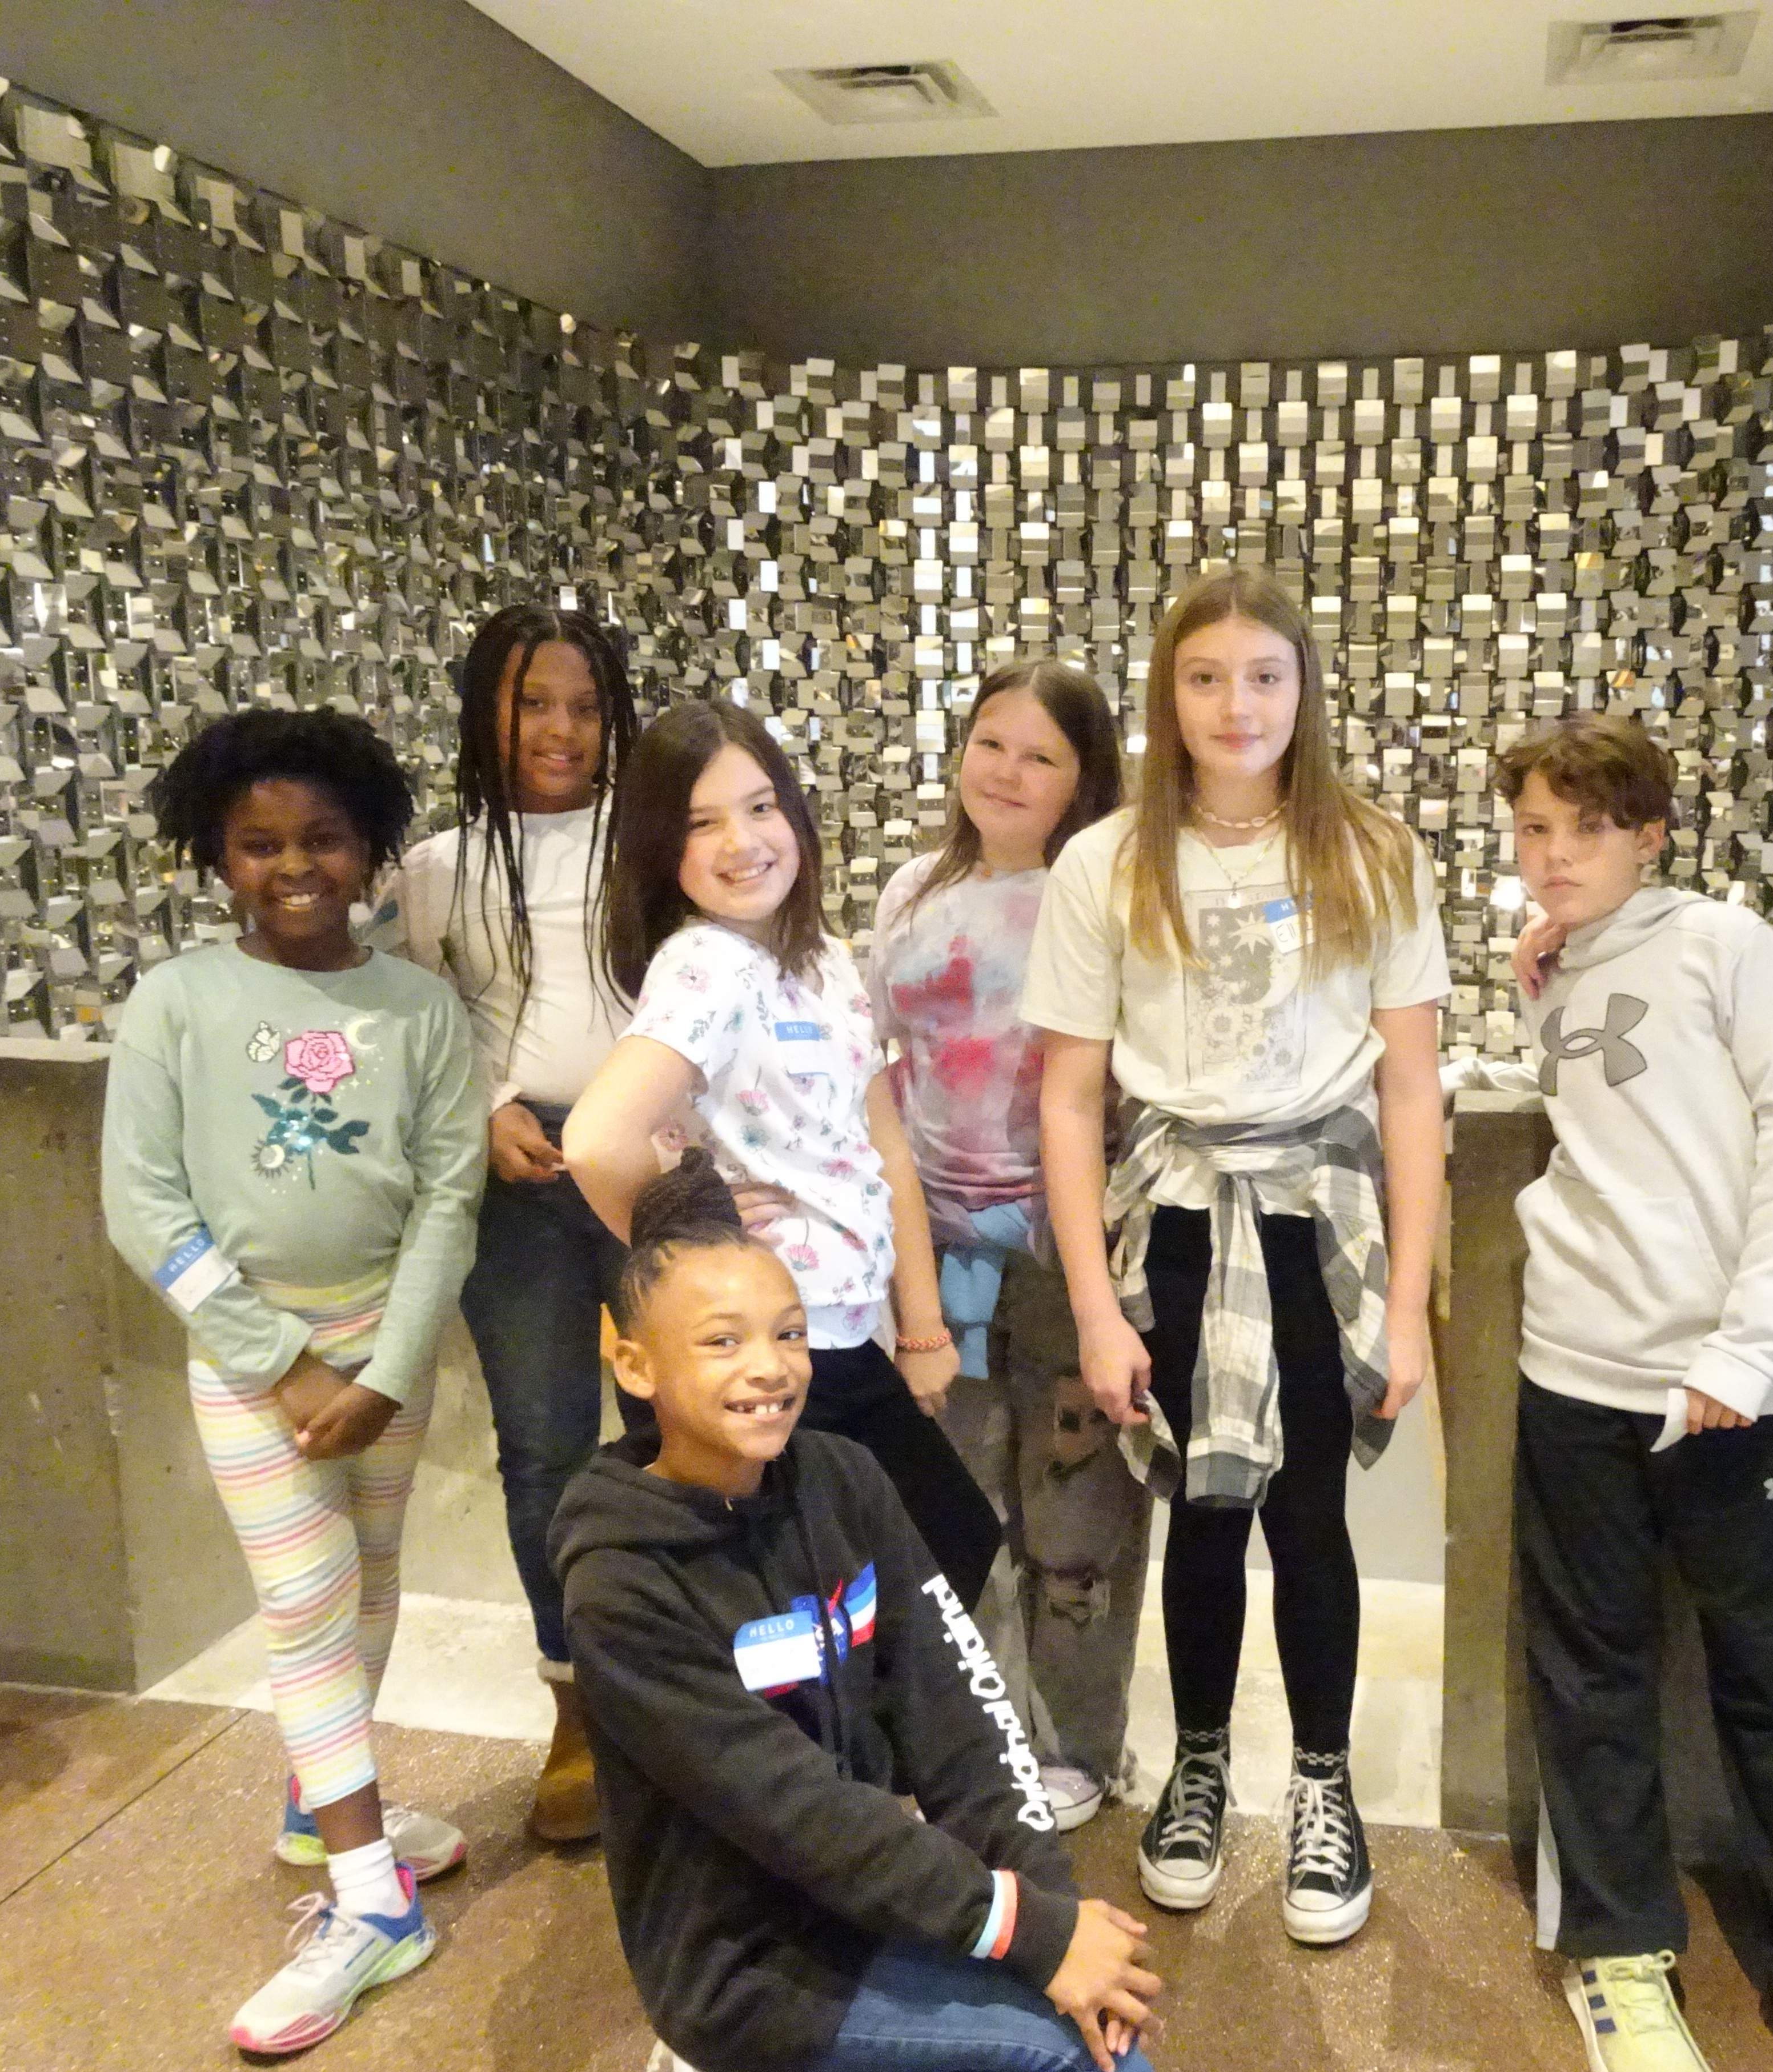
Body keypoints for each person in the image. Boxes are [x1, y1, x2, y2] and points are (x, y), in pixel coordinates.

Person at [1023, 565, 1449, 1947]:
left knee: (1309, 1505)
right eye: (1205, 677)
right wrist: (1095, 1303)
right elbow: (1071, 1097)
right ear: (1167, 696)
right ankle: (1197, 1766)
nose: (1237, 704)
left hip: (1323, 1213)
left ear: (1304, 690)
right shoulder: (1107, 861)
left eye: (1265, 675)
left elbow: (1409, 1089)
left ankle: (1322, 1787)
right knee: (1201, 1509)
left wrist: (1420, 1301)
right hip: (1177, 1213)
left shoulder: (1372, 850)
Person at [552, 1149, 1163, 2072]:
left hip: (869, 1902)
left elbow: (962, 1724)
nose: (770, 1369)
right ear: (635, 1363)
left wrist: (1056, 1909)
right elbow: (798, 1813)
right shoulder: (621, 1586)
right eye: (722, 1342)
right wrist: (1028, 1936)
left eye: (789, 1334)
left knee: (1098, 2017)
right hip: (750, 1968)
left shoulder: (843, 1479)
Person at [1498, 715, 1773, 2072]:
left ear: (1651, 836)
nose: (1552, 856)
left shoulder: (1728, 946)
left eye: (1585, 830)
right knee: (1589, 1664)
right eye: (1533, 831)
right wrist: (1538, 975)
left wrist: (1742, 1350)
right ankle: (1619, 1953)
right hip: (1576, 1365)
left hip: (1733, 1384)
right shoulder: (1552, 969)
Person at [101, 708, 487, 2055]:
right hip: (252, 1366)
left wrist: (386, 1370)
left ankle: (313, 1809)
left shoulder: (420, 1009)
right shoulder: (177, 1004)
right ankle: (374, 1904)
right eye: (259, 844)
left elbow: (450, 1198)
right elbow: (144, 1206)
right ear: (218, 857)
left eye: (322, 837)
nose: (293, 864)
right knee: (305, 1602)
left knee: (372, 1581)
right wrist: (280, 1361)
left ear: (372, 846)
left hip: (386, 1363)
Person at [564, 699, 1004, 1613]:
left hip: (842, 1337)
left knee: (928, 1555)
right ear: (663, 850)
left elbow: (883, 1145)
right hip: (762, 1352)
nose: (742, 841)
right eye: (700, 822)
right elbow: (596, 1143)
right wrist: (691, 1235)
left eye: (761, 807)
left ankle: (861, 1750)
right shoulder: (705, 965)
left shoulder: (825, 959)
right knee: (830, 1597)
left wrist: (921, 1327)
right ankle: (831, 1754)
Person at [868, 659, 1145, 1837]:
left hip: (1075, 1252)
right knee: (955, 1512)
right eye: (992, 744)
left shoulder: (1119, 891)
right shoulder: (915, 889)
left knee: (1080, 1520)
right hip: (936, 1253)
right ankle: (977, 1736)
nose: (1009, 773)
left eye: (1042, 755)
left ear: (1085, 779)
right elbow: (881, 1073)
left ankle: (1080, 1743)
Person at [392, 602, 641, 1844]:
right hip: (518, 1176)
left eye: (585, 707)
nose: (561, 728)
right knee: (544, 1448)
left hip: (650, 1161)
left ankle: (686, 1697)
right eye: (533, 701)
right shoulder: (436, 866)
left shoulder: (650, 837)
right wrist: (488, 1106)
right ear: (485, 706)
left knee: (683, 1433)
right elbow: (423, 1019)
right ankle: (578, 1705)